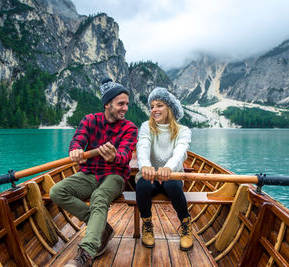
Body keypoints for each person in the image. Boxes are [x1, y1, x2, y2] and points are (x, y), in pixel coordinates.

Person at [50, 78, 138, 267]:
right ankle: (102, 228)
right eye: (120, 104)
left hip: (115, 176)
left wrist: (114, 157)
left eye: (127, 104)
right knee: (56, 192)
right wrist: (75, 150)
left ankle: (86, 255)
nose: (125, 108)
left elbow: (124, 156)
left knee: (99, 197)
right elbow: (78, 140)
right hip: (89, 173)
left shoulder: (130, 128)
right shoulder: (90, 120)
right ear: (107, 104)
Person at [135, 87, 193, 251]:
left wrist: (168, 168)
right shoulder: (146, 126)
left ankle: (186, 225)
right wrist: (145, 165)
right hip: (150, 174)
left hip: (171, 174)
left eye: (159, 105)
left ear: (170, 108)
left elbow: (180, 152)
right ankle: (147, 224)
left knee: (173, 185)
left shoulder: (183, 131)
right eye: (152, 106)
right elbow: (143, 146)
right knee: (143, 185)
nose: (154, 110)